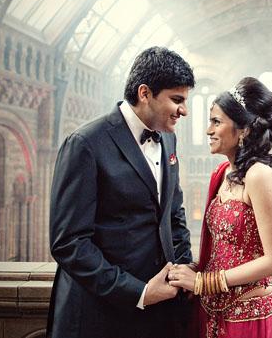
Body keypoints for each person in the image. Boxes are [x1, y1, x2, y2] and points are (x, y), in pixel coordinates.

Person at [47, 47, 195, 338]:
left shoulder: (169, 140)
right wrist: (138, 292)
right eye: (176, 100)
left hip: (159, 315)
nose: (184, 110)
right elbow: (69, 243)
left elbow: (173, 214)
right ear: (145, 93)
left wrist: (183, 266)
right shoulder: (85, 144)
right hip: (99, 316)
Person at [168, 77, 272, 338]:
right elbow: (222, 247)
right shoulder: (223, 173)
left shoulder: (259, 176)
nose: (208, 131)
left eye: (217, 122)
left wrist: (205, 282)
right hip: (213, 310)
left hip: (249, 316)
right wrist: (195, 270)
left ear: (244, 130)